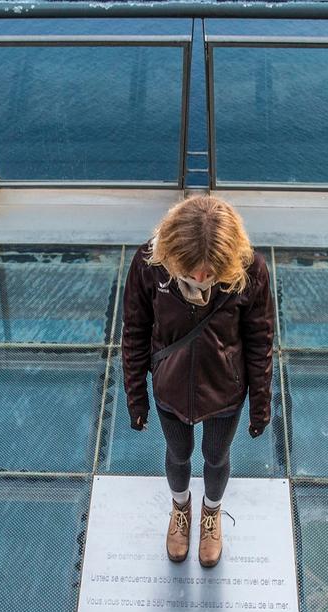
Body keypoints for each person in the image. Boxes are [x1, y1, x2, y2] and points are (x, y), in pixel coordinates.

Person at [120, 195, 275, 568]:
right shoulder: (148, 265)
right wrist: (136, 396)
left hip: (225, 390)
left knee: (216, 457)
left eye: (211, 271)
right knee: (178, 454)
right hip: (171, 389)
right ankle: (180, 508)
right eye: (193, 269)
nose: (202, 278)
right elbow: (135, 332)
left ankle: (211, 514)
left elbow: (260, 341)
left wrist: (261, 404)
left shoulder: (249, 270)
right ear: (173, 254)